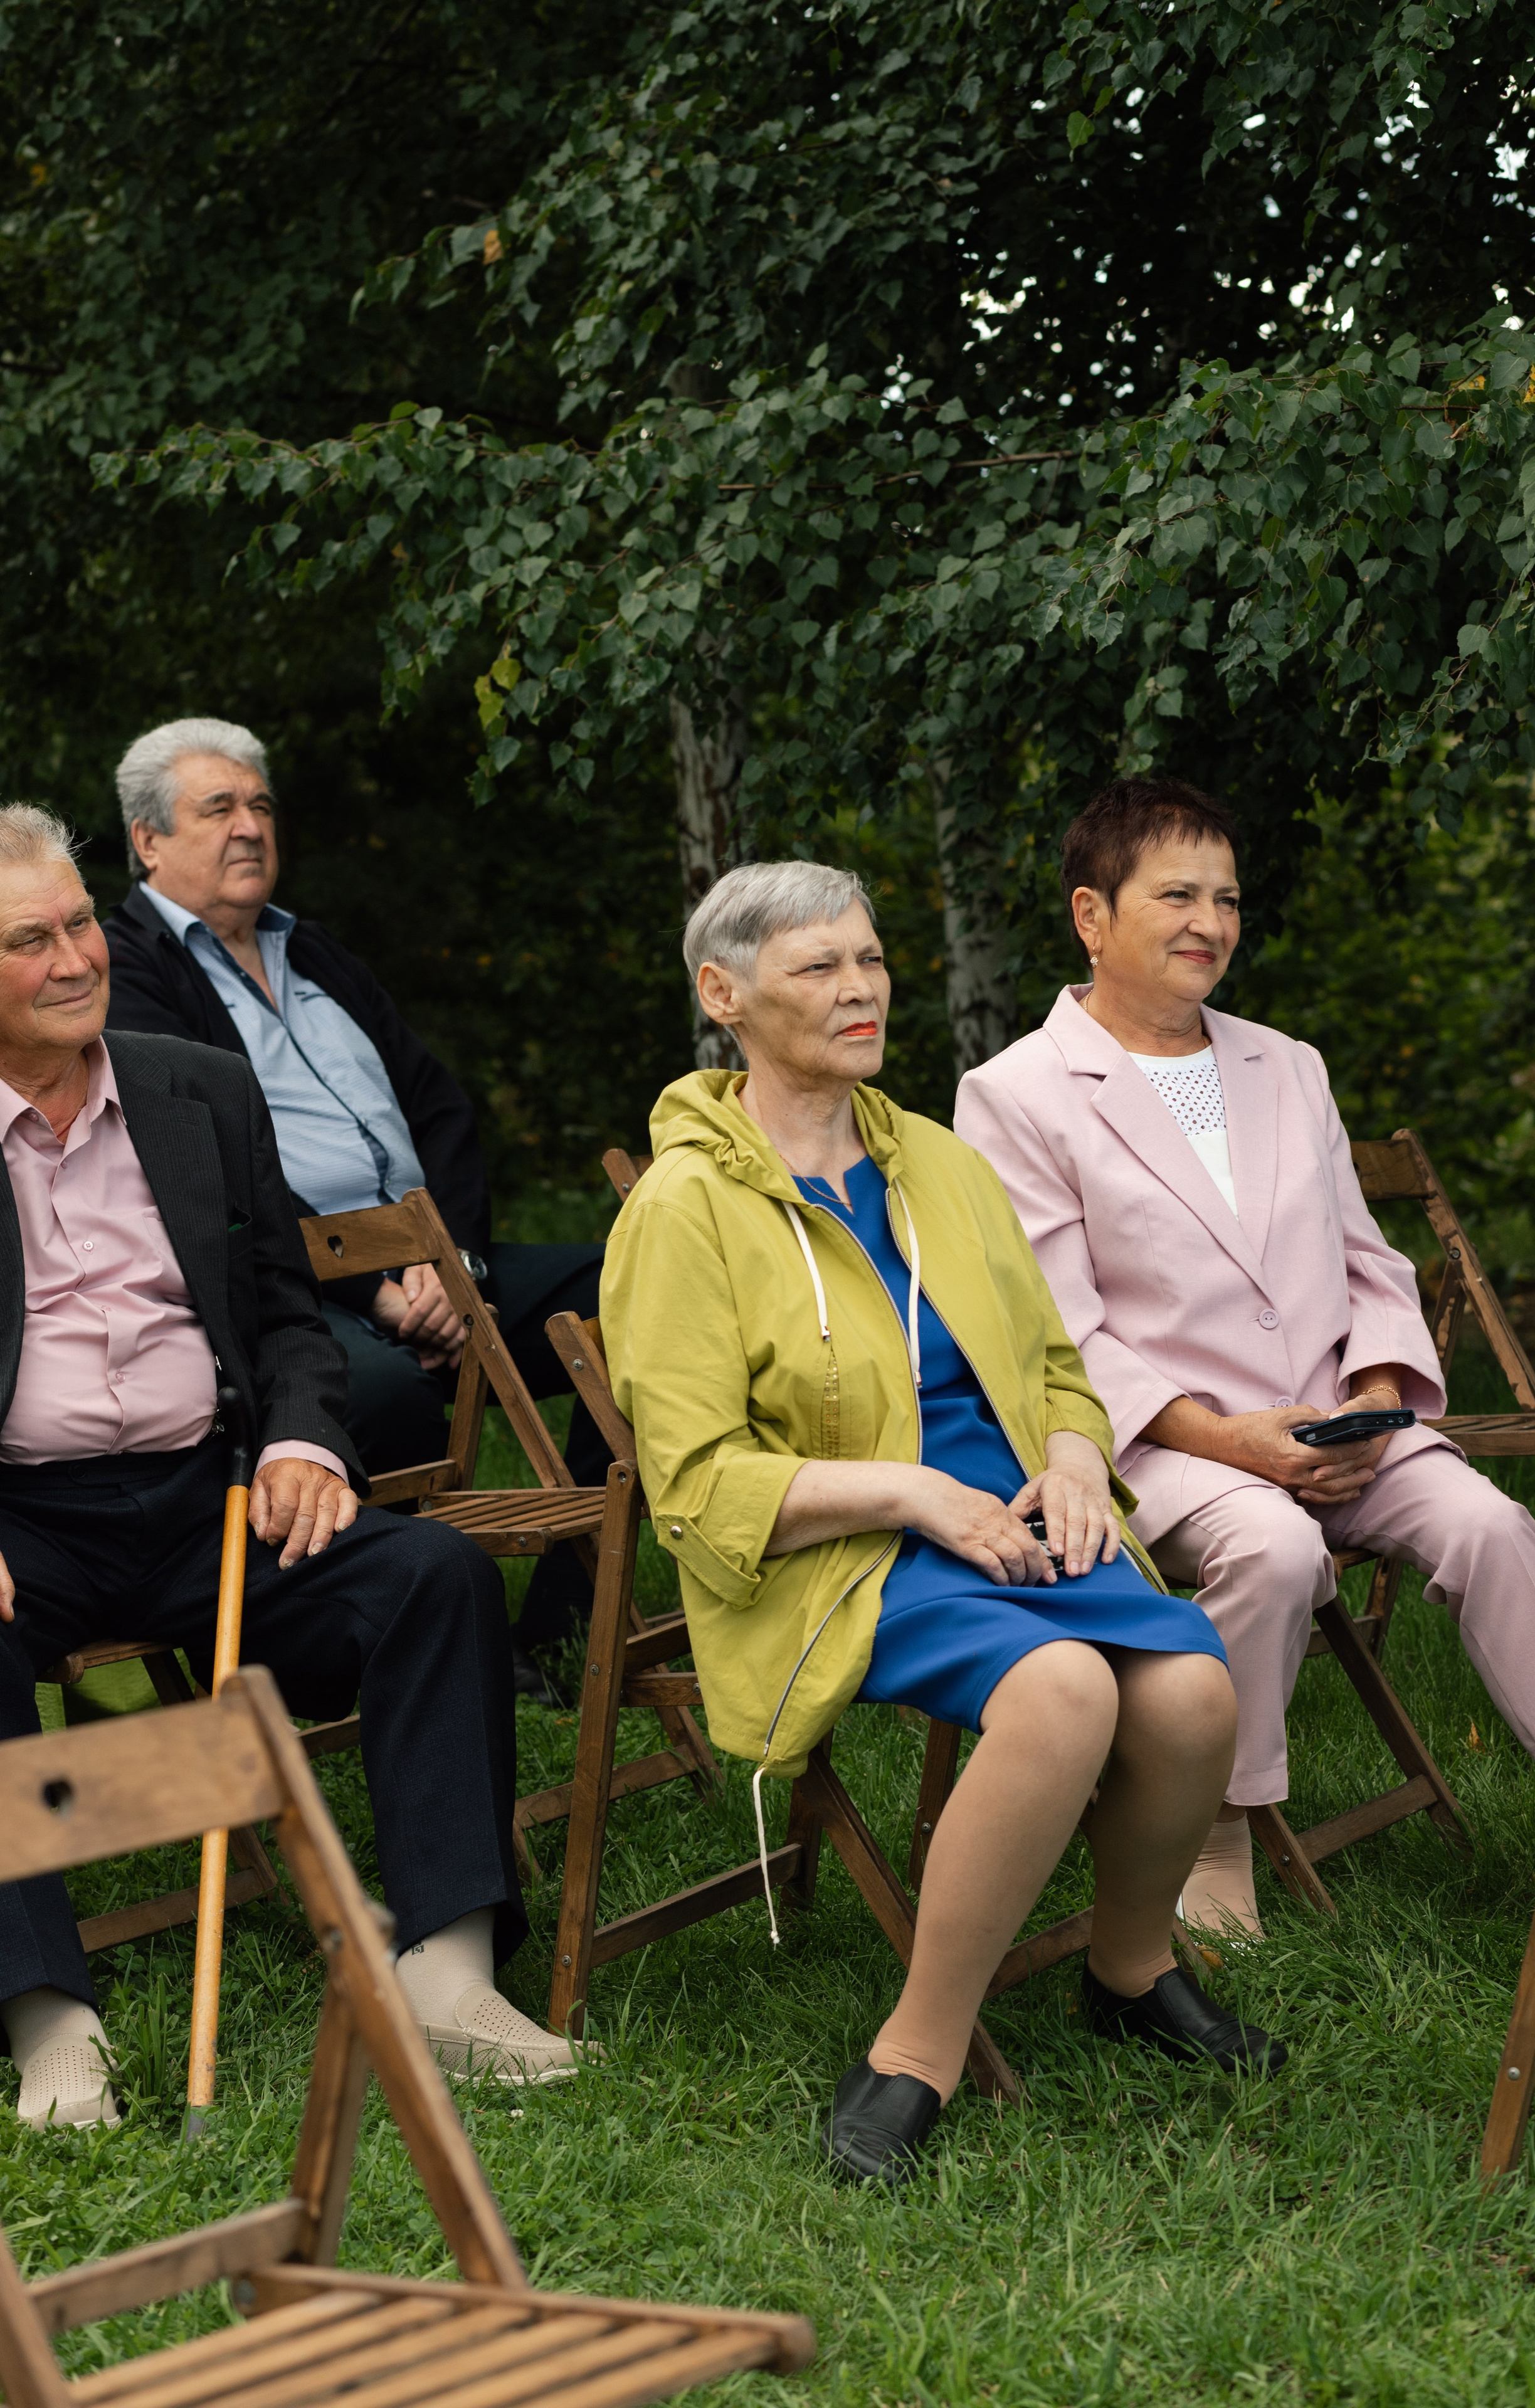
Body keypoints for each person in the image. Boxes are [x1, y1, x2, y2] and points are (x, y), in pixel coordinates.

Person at [602, 858, 1285, 2189]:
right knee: (1063, 1693)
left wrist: (1080, 1459)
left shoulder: (942, 1167)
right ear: (721, 994)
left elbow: (1052, 1368)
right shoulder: (681, 1209)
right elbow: (694, 1487)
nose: (859, 988)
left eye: (869, 959)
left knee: (1195, 1686)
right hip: (838, 1552)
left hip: (1021, 1521)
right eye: (818, 967)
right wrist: (914, 1494)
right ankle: (915, 2048)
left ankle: (1128, 1968)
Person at [0, 806, 587, 2135]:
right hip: (21, 1517)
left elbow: (279, 1317)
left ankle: (445, 1967)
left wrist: (305, 1441)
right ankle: (50, 2016)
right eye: (29, 941)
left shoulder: (190, 1087)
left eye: (82, 924)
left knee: (430, 1577)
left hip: (209, 1496)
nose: (76, 957)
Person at [955, 774, 1535, 1940]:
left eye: (1229, 898)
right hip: (1164, 1447)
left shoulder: (1286, 1063)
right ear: (1091, 915)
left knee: (1494, 1527)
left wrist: (1369, 1399)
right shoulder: (1014, 1095)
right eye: (1177, 895)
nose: (1211, 922)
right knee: (1268, 1544)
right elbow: (1053, 1330)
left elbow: (1367, 1259)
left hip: (1342, 1422)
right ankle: (1213, 1830)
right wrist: (1232, 1442)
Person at [101, 718, 604, 1699]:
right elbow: (204, 1163)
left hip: (440, 1263)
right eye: (219, 809)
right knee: (379, 1396)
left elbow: (441, 1107)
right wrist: (378, 1285)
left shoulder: (311, 947)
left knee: (628, 1291)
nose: (250, 827)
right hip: (295, 1280)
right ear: (148, 840)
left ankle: (566, 1624)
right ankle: (408, 1658)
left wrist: (461, 1270)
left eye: (261, 806)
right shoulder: (132, 976)